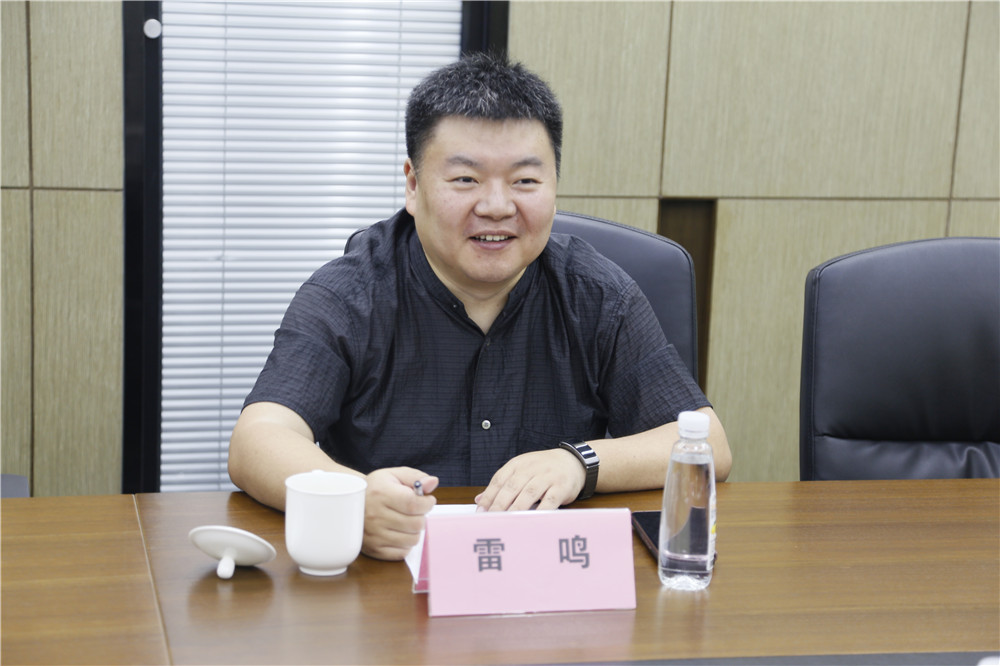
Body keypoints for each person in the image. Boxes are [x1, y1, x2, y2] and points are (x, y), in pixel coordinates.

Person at [228, 52, 732, 561]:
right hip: (390, 576)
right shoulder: (350, 295)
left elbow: (707, 442)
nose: (496, 206)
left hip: (543, 574)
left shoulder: (597, 294)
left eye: (525, 181)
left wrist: (580, 462)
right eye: (466, 179)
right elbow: (258, 439)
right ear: (413, 185)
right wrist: (352, 499)